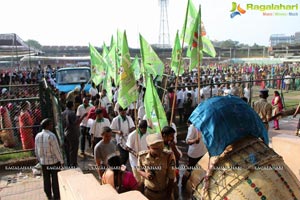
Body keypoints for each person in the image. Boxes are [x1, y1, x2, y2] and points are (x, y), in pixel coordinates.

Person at [137, 134, 176, 200]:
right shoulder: (142, 156)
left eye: (160, 148)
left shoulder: (169, 156)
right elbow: (139, 169)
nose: (158, 151)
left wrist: (168, 196)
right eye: (155, 149)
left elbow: (171, 177)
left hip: (164, 193)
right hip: (149, 194)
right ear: (148, 147)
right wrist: (145, 175)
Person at [35, 118, 64, 200]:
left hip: (43, 162)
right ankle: (56, 196)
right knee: (55, 180)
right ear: (48, 126)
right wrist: (61, 161)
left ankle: (48, 195)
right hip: (54, 162)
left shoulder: (37, 136)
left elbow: (36, 150)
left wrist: (39, 159)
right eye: (51, 124)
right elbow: (56, 150)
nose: (52, 126)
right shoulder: (51, 136)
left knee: (46, 179)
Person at [62, 101, 86, 167]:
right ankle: (73, 164)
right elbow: (76, 123)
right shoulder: (71, 113)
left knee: (68, 149)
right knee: (74, 149)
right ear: (72, 106)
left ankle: (69, 162)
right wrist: (83, 116)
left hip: (65, 132)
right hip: (72, 133)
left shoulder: (63, 113)